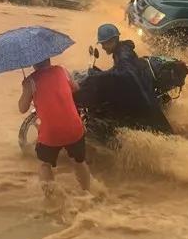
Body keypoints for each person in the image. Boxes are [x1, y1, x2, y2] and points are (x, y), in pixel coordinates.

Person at [18, 58, 91, 194]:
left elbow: (22, 108)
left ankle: (50, 198)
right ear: (49, 58)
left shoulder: (30, 81)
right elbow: (75, 87)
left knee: (45, 164)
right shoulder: (62, 70)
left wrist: (26, 88)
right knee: (79, 162)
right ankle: (88, 193)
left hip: (51, 134)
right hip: (74, 129)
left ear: (33, 63)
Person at [95, 24, 172, 134]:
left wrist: (102, 75)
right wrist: (104, 73)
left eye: (104, 43)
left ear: (114, 40)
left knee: (162, 132)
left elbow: (127, 72)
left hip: (143, 97)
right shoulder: (120, 51)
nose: (102, 47)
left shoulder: (123, 53)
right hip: (140, 90)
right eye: (101, 43)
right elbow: (120, 69)